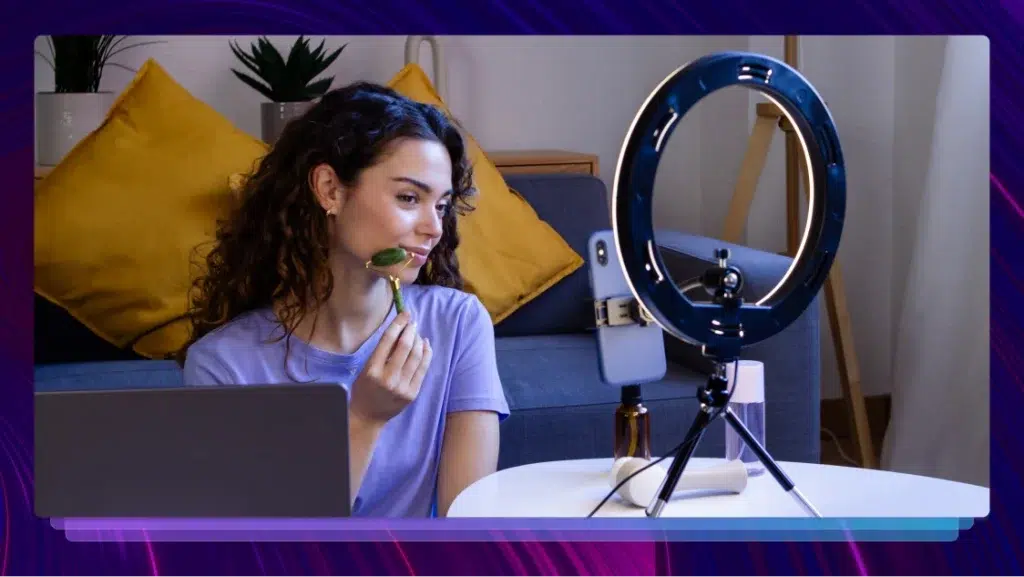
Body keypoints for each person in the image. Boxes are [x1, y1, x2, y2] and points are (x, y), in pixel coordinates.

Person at [176, 81, 510, 518]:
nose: (434, 228)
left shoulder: (459, 323)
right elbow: (268, 552)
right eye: (409, 198)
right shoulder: (222, 366)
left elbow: (468, 527)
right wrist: (364, 419)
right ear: (330, 189)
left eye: (442, 206)